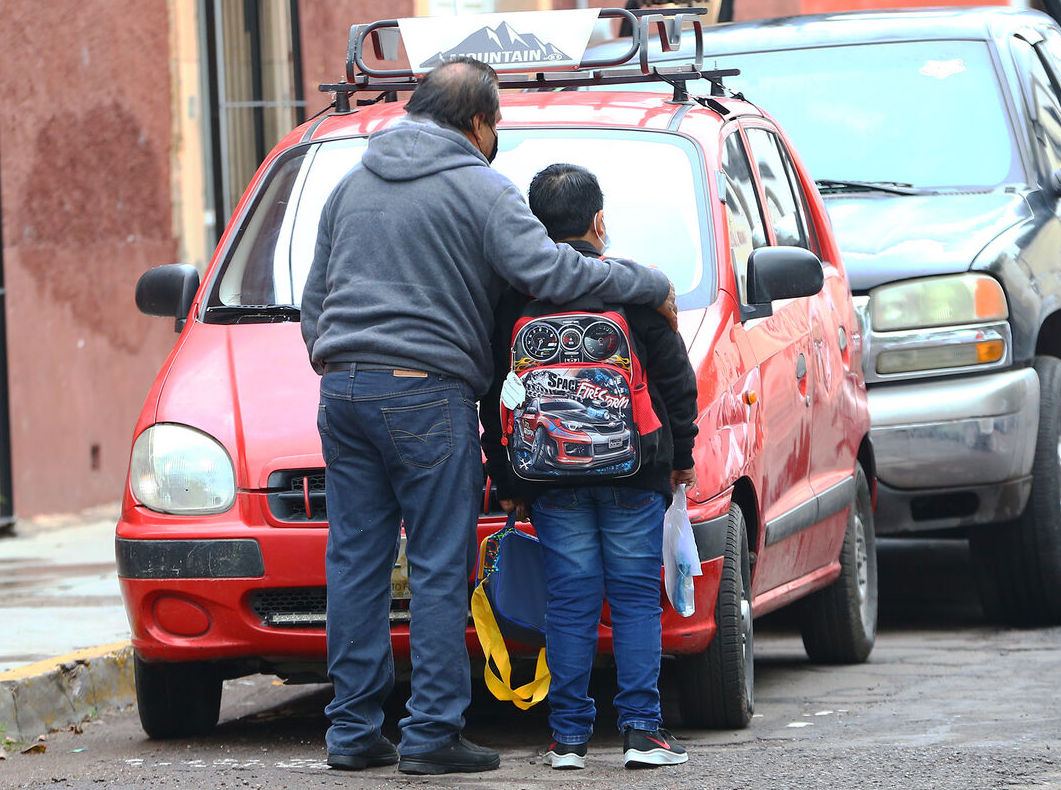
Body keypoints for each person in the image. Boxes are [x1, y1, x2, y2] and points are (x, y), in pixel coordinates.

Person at [300, 58, 677, 776]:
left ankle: (351, 733)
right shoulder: (481, 188)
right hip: (424, 393)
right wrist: (645, 281)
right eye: (496, 119)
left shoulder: (350, 184)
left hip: (342, 393)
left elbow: (315, 296)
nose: (496, 132)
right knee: (440, 564)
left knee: (354, 561)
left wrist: (334, 359)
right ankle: (431, 733)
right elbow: (556, 274)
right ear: (477, 121)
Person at [481, 163, 699, 770]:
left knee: (570, 601)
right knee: (633, 599)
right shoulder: (633, 291)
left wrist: (508, 479)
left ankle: (569, 739)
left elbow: (497, 395)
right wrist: (681, 455)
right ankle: (641, 733)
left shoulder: (516, 300)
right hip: (635, 473)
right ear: (598, 222)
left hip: (549, 476)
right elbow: (677, 384)